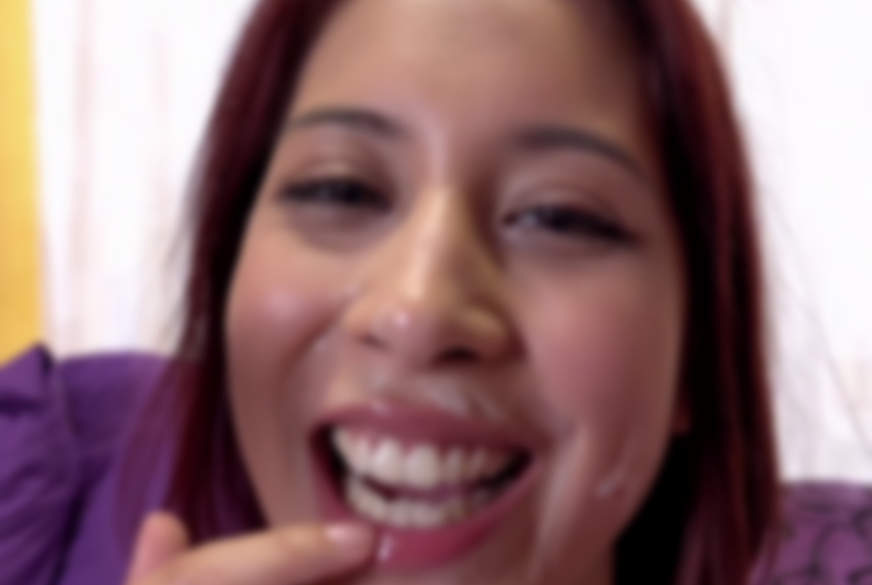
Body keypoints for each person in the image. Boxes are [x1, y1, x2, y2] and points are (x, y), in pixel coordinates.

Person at [0, 1, 780, 584]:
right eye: (341, 190)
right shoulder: (41, 472)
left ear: (698, 354)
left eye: (558, 215)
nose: (418, 309)